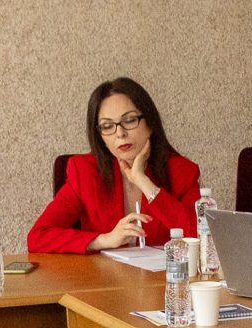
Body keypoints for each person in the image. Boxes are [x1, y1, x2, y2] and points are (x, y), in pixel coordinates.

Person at [28, 78, 201, 253]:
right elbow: (38, 236)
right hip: (104, 272)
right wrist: (104, 240)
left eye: (130, 120)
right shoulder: (84, 172)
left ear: (150, 123)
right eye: (107, 126)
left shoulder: (182, 171)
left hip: (164, 271)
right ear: (100, 136)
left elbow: (200, 235)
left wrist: (144, 183)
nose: (120, 133)